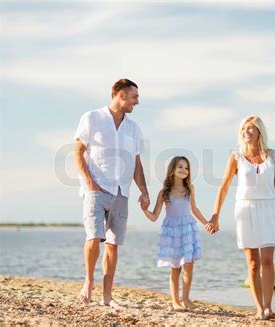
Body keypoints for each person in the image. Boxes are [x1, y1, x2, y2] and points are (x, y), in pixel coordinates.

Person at [74, 78, 150, 307]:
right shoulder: (92, 118)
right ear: (121, 94)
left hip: (122, 191)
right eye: (134, 96)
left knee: (113, 244)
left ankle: (107, 297)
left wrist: (144, 192)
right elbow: (77, 152)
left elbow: (137, 164)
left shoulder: (133, 128)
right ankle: (88, 281)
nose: (137, 102)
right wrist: (89, 183)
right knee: (94, 237)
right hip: (96, 188)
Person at [208, 115, 275, 320]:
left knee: (268, 260)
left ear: (260, 131)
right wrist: (215, 215)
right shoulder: (236, 157)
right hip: (245, 209)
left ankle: (268, 307)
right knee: (253, 263)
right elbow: (224, 186)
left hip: (269, 208)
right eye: (244, 128)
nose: (246, 132)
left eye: (251, 128)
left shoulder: (274, 156)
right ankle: (259, 308)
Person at [141, 156, 212, 311]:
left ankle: (186, 299)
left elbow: (194, 209)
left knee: (188, 265)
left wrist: (206, 223)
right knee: (175, 267)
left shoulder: (190, 189)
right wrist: (145, 209)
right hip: (172, 232)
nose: (184, 170)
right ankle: (175, 302)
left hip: (188, 229)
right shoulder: (164, 192)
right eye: (180, 166)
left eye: (186, 168)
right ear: (172, 169)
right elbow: (154, 217)